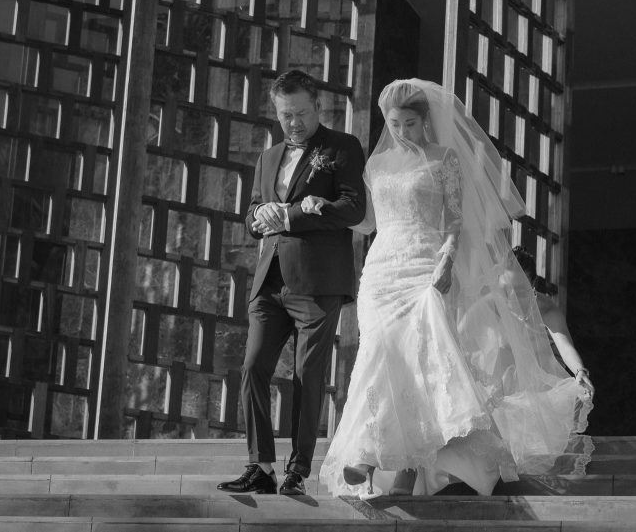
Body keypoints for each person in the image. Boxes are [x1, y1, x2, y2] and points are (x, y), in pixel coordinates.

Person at [308, 79, 593, 498]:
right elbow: (367, 221)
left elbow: (455, 220)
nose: (402, 131)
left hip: (426, 266)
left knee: (417, 365)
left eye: (410, 123)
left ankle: (376, 461)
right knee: (380, 351)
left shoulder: (444, 159)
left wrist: (446, 259)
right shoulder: (378, 165)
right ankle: (380, 459)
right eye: (395, 123)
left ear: (425, 121)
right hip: (382, 271)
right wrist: (323, 204)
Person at [216, 69, 367, 496]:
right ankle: (260, 466)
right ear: (277, 113)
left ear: (317, 106)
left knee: (307, 374)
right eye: (286, 116)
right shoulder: (267, 157)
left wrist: (296, 213)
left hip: (317, 284)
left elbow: (353, 209)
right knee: (252, 368)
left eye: (301, 113)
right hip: (269, 284)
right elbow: (250, 215)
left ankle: (297, 472)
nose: (295, 123)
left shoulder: (342, 148)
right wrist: (258, 217)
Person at [510, 245, 594, 399]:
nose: (512, 298)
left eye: (520, 291)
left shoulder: (548, 310)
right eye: (506, 290)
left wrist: (580, 371)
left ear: (533, 284)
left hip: (544, 392)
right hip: (506, 389)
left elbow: (565, 347)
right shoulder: (490, 304)